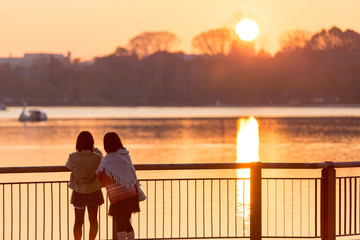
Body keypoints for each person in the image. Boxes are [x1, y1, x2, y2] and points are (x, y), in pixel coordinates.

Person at [96, 132, 140, 240]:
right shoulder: (125, 154)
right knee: (127, 222)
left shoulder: (108, 159)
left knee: (120, 223)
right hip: (131, 194)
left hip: (118, 197)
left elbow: (100, 174)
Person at [66, 131, 104, 240]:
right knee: (93, 220)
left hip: (79, 192)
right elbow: (102, 158)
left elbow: (68, 166)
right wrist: (94, 149)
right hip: (93, 191)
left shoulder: (73, 156)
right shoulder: (96, 157)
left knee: (78, 221)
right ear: (91, 143)